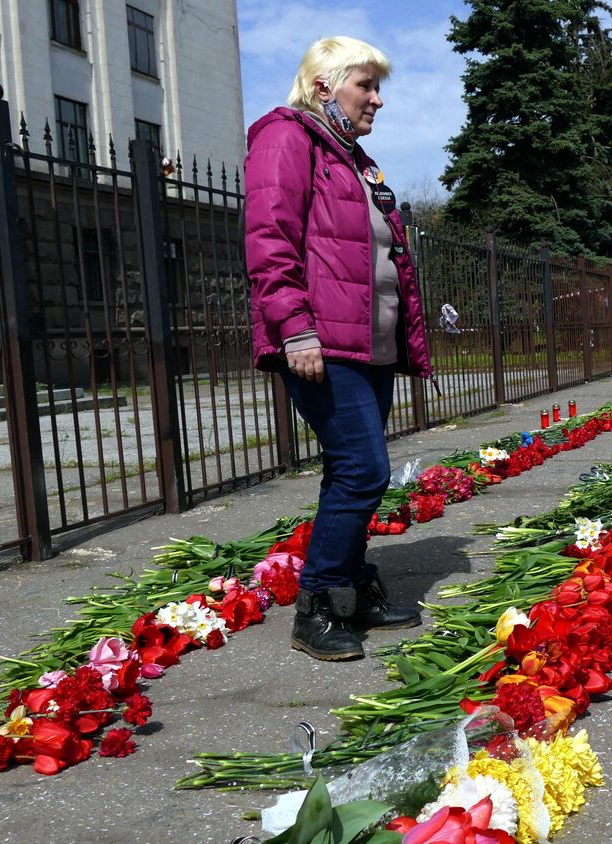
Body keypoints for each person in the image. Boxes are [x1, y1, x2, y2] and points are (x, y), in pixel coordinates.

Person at [247, 36, 429, 661]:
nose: (377, 99)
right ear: (325, 85)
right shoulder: (286, 138)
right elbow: (269, 239)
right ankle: (318, 604)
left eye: (379, 87)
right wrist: (294, 328)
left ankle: (350, 588)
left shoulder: (352, 158)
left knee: (350, 471)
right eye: (366, 85)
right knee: (365, 469)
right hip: (322, 343)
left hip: (366, 345)